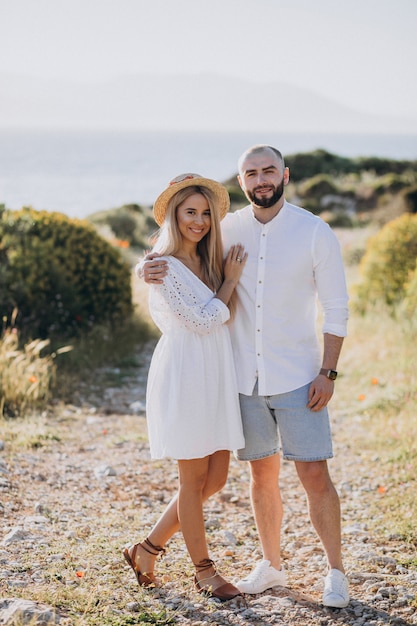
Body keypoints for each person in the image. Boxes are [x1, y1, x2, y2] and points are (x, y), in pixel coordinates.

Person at [141, 145, 350, 609]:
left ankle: (335, 571)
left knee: (313, 475)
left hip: (297, 375)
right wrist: (145, 264)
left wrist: (327, 371)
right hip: (240, 380)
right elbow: (171, 251)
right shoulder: (226, 227)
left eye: (268, 170)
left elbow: (336, 307)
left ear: (285, 174)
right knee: (260, 476)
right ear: (241, 183)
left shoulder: (313, 231)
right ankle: (269, 565)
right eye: (251, 172)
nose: (261, 179)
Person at [123, 173, 247, 602]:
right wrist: (230, 281)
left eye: (205, 213)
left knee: (214, 479)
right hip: (185, 371)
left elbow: (218, 317)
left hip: (216, 370)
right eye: (189, 212)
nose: (198, 221)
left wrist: (223, 277)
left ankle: (147, 549)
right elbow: (201, 320)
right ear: (174, 216)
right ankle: (205, 571)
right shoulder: (164, 264)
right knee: (192, 479)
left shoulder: (207, 259)